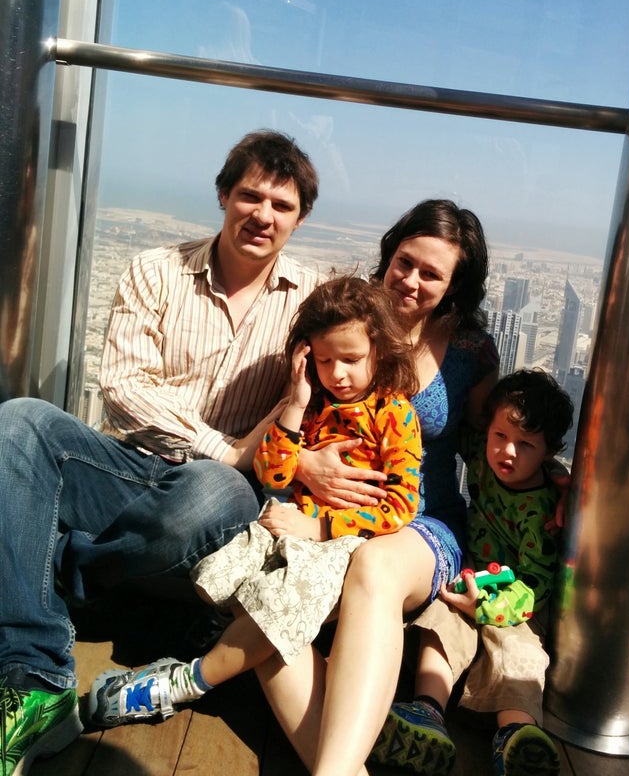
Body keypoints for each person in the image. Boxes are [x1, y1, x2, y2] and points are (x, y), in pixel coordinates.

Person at [0, 130, 383, 776]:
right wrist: (227, 450)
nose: (262, 215)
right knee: (21, 423)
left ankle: (68, 567)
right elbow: (124, 391)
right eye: (249, 196)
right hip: (130, 467)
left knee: (220, 490)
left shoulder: (312, 300)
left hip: (221, 499)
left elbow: (368, 353)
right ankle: (35, 676)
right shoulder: (157, 270)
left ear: (301, 217)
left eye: (281, 206)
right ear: (223, 196)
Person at [87, 275, 422, 725]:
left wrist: (322, 528)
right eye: (324, 360)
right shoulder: (311, 405)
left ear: (379, 351)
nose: (337, 373)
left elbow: (402, 505)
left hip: (344, 541)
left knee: (280, 600)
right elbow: (273, 471)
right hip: (287, 526)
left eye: (351, 359)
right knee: (224, 569)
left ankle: (185, 682)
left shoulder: (395, 414)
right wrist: (296, 404)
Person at [253, 199, 500, 776]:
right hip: (317, 508)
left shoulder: (468, 349)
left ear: (455, 285)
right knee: (267, 602)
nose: (411, 281)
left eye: (432, 273)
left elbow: (490, 435)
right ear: (389, 254)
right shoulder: (345, 316)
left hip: (418, 522)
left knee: (376, 565)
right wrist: (307, 463)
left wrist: (546, 482)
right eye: (404, 262)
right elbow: (289, 413)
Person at [378, 369, 574, 776]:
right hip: (468, 582)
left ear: (547, 451)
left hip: (517, 605)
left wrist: (485, 607)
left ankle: (518, 734)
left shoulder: (540, 511)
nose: (508, 452)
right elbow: (456, 435)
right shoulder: (485, 458)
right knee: (442, 623)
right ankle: (426, 710)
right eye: (500, 436)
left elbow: (535, 585)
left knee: (517, 650)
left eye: (526, 445)